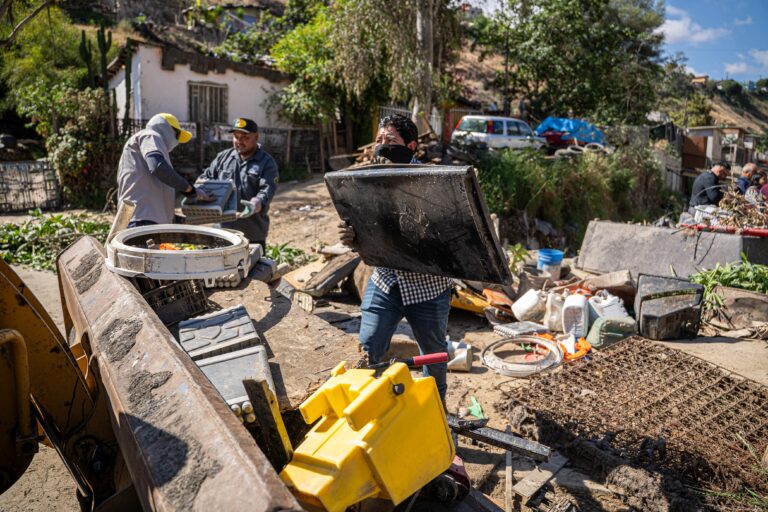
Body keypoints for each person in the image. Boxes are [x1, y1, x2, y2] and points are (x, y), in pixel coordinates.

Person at [338, 114, 453, 402]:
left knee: (433, 357)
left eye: (390, 140)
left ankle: (436, 415)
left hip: (428, 287)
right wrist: (353, 238)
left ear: (412, 146)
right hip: (386, 282)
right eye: (379, 140)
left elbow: (447, 237)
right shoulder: (365, 181)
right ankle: (372, 407)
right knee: (368, 346)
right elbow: (364, 231)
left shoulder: (431, 184)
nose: (381, 146)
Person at [117, 113, 213, 227]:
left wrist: (178, 219)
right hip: (141, 220)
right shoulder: (150, 135)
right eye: (177, 135)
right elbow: (158, 167)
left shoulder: (148, 152)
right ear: (165, 127)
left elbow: (154, 194)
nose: (177, 142)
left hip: (141, 219)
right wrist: (189, 189)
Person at [200, 118, 279, 250]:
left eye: (245, 137)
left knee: (251, 269)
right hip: (222, 231)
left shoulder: (266, 163)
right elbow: (205, 179)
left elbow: (266, 192)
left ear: (256, 137)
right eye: (236, 137)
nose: (239, 141)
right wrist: (200, 192)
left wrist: (254, 205)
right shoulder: (223, 158)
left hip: (251, 234)